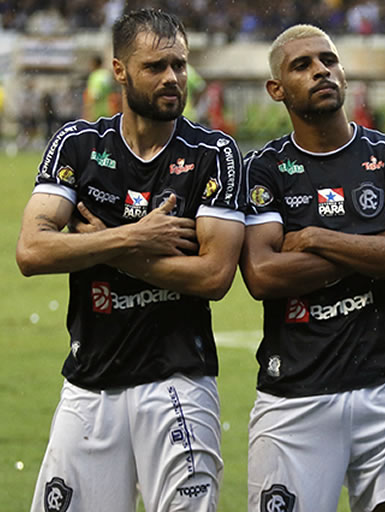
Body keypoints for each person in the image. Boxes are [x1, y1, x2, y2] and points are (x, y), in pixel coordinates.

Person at [16, 8, 246, 512]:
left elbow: (213, 275)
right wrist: (135, 239)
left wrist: (107, 248)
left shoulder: (216, 154)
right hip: (89, 383)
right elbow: (32, 249)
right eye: (156, 67)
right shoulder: (78, 145)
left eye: (180, 66)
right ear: (119, 71)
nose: (173, 79)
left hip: (178, 382)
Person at [239, 24, 385, 512]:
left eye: (328, 60)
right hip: (294, 396)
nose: (320, 71)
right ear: (276, 90)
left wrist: (315, 238)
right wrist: (376, 248)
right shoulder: (261, 170)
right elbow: (263, 275)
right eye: (302, 66)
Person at [83, 55, 114, 120]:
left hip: (96, 112)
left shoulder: (95, 76)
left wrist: (88, 110)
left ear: (94, 64)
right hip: (107, 109)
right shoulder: (106, 74)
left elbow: (95, 95)